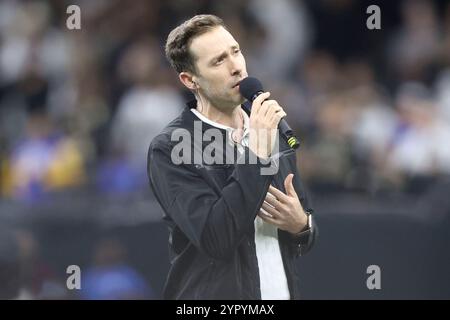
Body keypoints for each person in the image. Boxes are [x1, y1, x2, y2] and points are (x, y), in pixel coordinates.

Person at [147, 14, 318, 300]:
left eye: (235, 52)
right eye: (218, 61)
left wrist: (302, 225)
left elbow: (305, 225)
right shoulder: (172, 147)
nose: (236, 67)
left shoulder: (268, 127)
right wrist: (256, 154)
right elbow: (217, 238)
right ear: (190, 80)